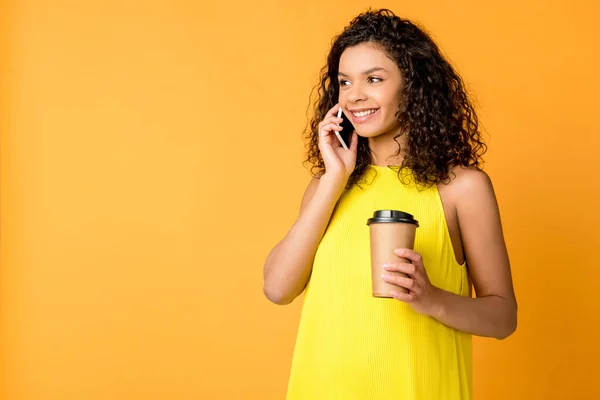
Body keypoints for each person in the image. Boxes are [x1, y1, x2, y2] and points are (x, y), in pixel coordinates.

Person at [262, 8, 517, 400]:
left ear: (414, 86)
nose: (354, 95)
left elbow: (503, 317)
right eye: (344, 82)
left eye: (374, 79)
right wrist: (334, 177)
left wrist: (431, 299)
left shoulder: (462, 188)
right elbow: (278, 288)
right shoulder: (328, 185)